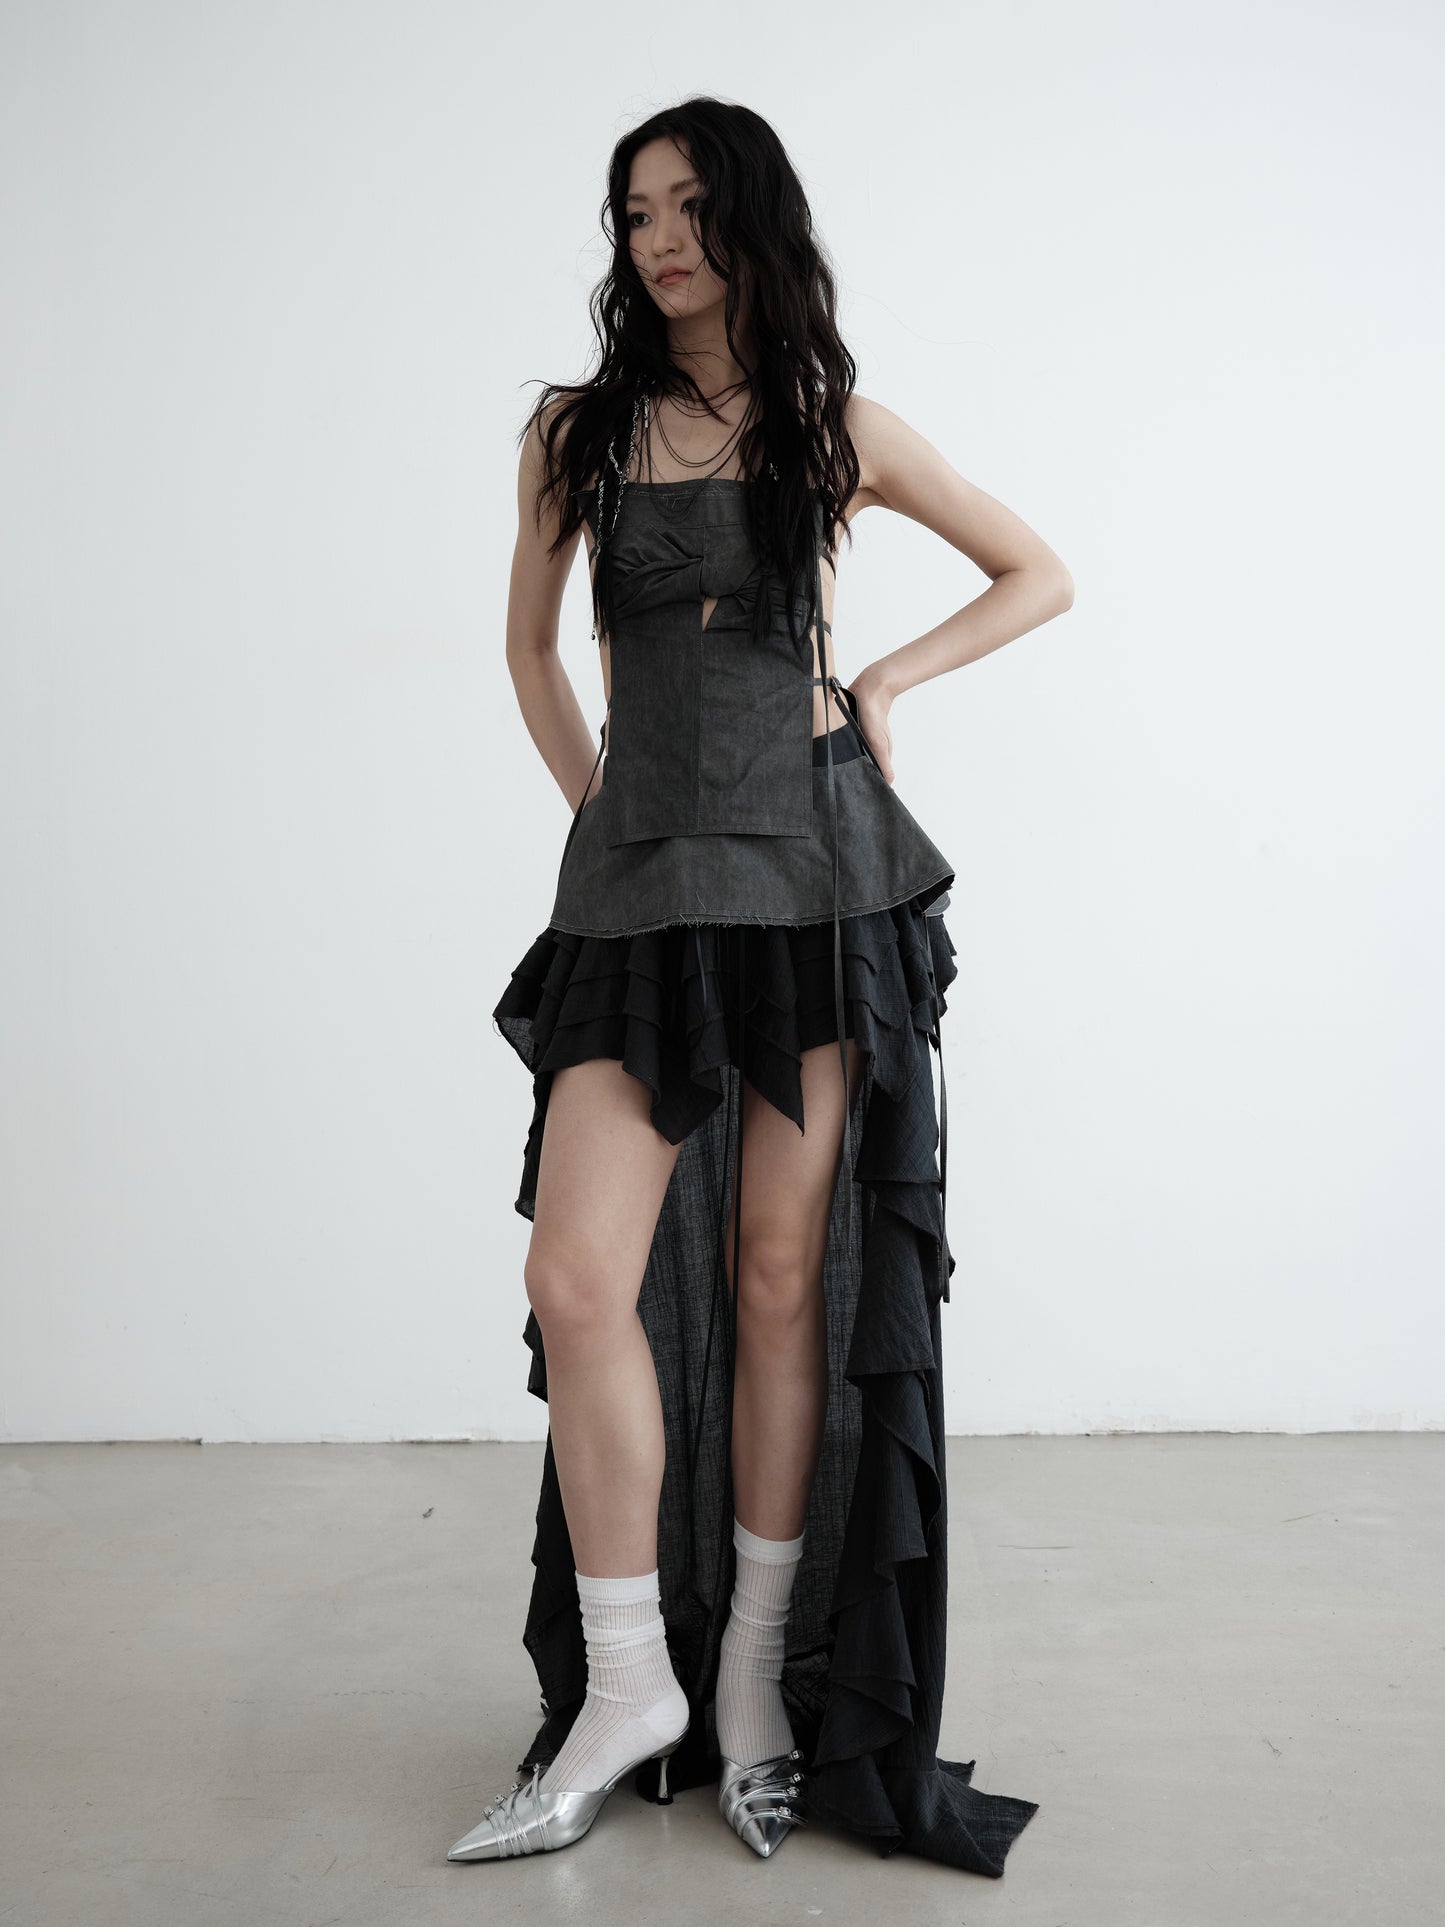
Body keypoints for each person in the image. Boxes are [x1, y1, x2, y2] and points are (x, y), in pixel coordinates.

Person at [449, 97, 1073, 1873]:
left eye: (686, 208)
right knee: (578, 1277)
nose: (656, 240)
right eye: (633, 212)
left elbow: (1037, 573)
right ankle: (625, 1685)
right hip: (639, 891)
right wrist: (602, 811)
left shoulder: (830, 423)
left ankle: (749, 1685)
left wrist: (880, 684)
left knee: (782, 1279)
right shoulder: (575, 431)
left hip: (813, 874)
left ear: (751, 222)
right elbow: (528, 648)